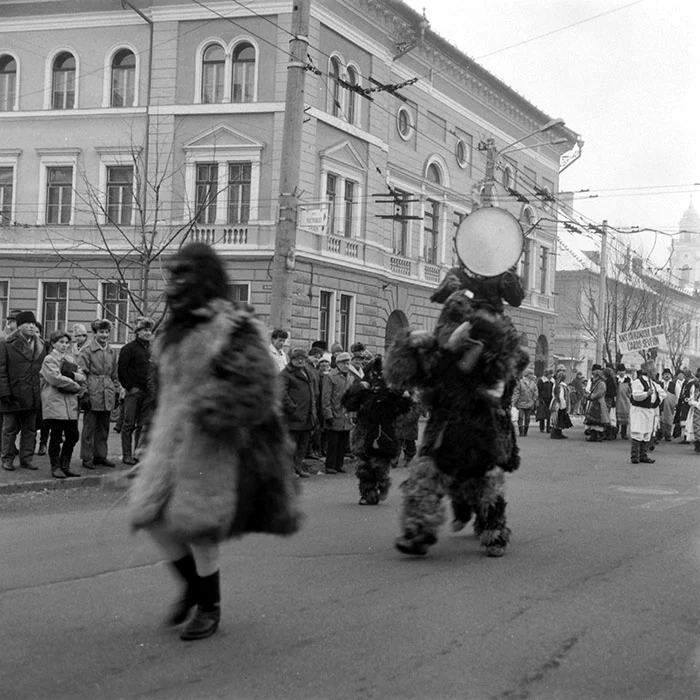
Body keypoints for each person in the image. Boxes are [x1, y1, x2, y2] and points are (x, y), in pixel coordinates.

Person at [129, 242, 301, 642]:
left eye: (184, 275)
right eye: (173, 276)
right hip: (171, 437)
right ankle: (193, 586)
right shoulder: (175, 331)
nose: (175, 285)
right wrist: (153, 440)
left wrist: (212, 411)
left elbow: (257, 387)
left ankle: (209, 605)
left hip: (215, 441)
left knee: (198, 524)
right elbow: (169, 391)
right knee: (150, 515)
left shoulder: (234, 327)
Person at [341, 356, 412, 505]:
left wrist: (402, 396)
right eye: (375, 373)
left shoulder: (392, 389)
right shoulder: (364, 387)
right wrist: (358, 389)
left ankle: (383, 483)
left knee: (380, 465)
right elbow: (348, 404)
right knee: (364, 467)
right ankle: (368, 494)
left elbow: (402, 409)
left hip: (384, 432)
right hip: (364, 430)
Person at [0, 311, 46, 471]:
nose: (32, 327)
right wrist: (4, 392)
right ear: (19, 326)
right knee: (9, 429)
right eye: (28, 324)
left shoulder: (41, 345)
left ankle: (26, 459)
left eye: (33, 324)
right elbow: (1, 370)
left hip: (33, 394)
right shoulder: (6, 344)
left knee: (30, 429)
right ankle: (7, 458)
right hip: (13, 394)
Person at [39, 330, 85, 478]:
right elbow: (56, 379)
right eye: (61, 342)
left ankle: (65, 465)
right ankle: (55, 466)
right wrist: (75, 385)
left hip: (70, 405)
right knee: (56, 436)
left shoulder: (70, 359)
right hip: (55, 403)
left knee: (73, 436)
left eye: (66, 343)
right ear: (53, 344)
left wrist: (72, 376)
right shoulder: (49, 359)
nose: (64, 345)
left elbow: (82, 376)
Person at [78, 319, 119, 470]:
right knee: (89, 428)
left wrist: (116, 391)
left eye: (107, 332)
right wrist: (84, 393)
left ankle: (100, 456)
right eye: (101, 332)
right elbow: (81, 373)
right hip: (92, 389)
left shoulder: (111, 351)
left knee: (104, 427)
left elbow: (114, 374)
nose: (104, 335)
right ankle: (87, 457)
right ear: (95, 333)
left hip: (107, 390)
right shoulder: (87, 350)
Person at [117, 316, 154, 466]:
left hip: (147, 392)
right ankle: (126, 455)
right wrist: (130, 388)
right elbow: (121, 370)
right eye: (144, 330)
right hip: (134, 392)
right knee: (128, 424)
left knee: (142, 425)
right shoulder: (129, 349)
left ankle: (138, 453)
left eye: (149, 329)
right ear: (137, 332)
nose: (148, 332)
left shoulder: (150, 350)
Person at [279, 346, 318, 478]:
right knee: (291, 445)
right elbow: (282, 394)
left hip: (307, 414)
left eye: (303, 359)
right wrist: (292, 408)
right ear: (292, 359)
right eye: (298, 359)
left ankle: (298, 467)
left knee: (303, 445)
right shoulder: (285, 374)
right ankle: (288, 470)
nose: (301, 361)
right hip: (293, 415)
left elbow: (313, 391)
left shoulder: (308, 372)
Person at [321, 351, 355, 474]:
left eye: (348, 363)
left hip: (346, 414)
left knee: (342, 443)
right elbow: (326, 398)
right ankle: (330, 465)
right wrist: (328, 414)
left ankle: (338, 465)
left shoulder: (350, 376)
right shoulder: (330, 376)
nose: (346, 365)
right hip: (334, 413)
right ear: (338, 363)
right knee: (333, 443)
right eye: (344, 363)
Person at [629, 361, 665, 464]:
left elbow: (662, 393)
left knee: (646, 433)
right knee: (638, 432)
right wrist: (646, 393)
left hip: (649, 410)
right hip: (639, 411)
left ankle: (643, 455)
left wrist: (658, 399)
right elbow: (636, 395)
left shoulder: (653, 383)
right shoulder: (638, 382)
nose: (656, 373)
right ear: (649, 372)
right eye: (654, 371)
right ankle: (634, 456)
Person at [583, 366, 608, 442]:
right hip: (594, 402)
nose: (593, 377)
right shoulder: (597, 383)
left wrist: (591, 396)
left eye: (594, 375)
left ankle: (597, 436)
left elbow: (599, 393)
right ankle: (593, 435)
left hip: (598, 403)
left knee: (597, 420)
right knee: (593, 420)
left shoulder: (601, 383)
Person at [512, 368, 538, 436]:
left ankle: (525, 432)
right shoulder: (520, 382)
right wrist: (514, 402)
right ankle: (521, 432)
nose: (532, 375)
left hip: (529, 403)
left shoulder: (533, 383)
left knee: (527, 418)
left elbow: (536, 392)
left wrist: (534, 400)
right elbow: (516, 392)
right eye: (531, 374)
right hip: (521, 403)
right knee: (520, 417)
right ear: (527, 375)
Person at [549, 370, 572, 439]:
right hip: (558, 404)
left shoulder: (557, 384)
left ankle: (559, 433)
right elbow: (560, 396)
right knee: (556, 419)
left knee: (559, 418)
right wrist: (563, 405)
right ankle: (554, 434)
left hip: (557, 403)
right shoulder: (560, 385)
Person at [536, 369, 554, 433]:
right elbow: (538, 390)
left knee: (549, 415)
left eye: (551, 374)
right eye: (550, 374)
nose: (551, 376)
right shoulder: (541, 381)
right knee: (542, 415)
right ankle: (542, 428)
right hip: (543, 399)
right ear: (546, 375)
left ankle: (548, 428)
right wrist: (540, 399)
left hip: (550, 400)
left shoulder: (552, 381)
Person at [616, 371, 632, 440]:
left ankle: (624, 433)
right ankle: (615, 432)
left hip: (625, 401)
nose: (621, 373)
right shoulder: (615, 379)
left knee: (625, 418)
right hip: (617, 400)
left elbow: (631, 390)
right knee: (616, 417)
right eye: (620, 371)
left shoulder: (628, 379)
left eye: (623, 371)